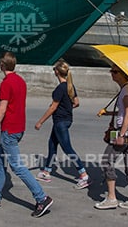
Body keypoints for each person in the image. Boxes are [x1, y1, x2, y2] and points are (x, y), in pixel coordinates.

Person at [0, 51, 53, 218]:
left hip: (9, 130)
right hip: (19, 128)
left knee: (17, 167)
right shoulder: (20, 81)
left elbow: (2, 108)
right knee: (1, 160)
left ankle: (41, 197)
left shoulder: (6, 83)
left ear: (2, 64)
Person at [34, 58, 90, 189]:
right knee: (52, 144)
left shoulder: (60, 88)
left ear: (57, 72)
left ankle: (84, 175)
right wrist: (66, 108)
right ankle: (47, 171)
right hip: (66, 120)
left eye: (54, 69)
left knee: (67, 148)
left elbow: (53, 107)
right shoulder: (70, 86)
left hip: (60, 122)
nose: (53, 71)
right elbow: (76, 103)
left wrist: (40, 122)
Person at [94, 65, 128, 211]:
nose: (111, 73)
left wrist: (121, 135)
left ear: (123, 74)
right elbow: (124, 112)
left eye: (115, 71)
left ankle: (111, 198)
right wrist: (108, 113)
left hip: (126, 131)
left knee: (107, 160)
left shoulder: (126, 91)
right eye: (111, 70)